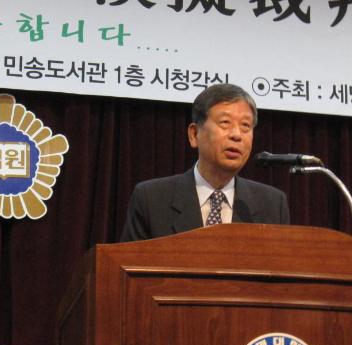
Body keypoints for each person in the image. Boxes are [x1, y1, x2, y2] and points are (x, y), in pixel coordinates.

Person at [119, 83, 290, 242]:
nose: (237, 135)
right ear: (194, 134)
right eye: (225, 123)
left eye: (245, 126)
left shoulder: (272, 205)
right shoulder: (152, 199)